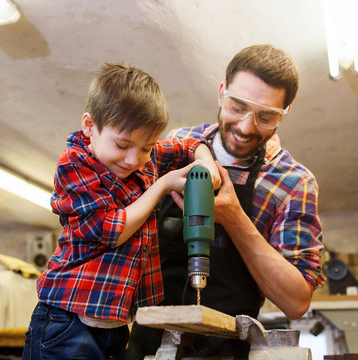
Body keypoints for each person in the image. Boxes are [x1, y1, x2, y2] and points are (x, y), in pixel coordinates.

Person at [127, 44, 325, 359]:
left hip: (228, 349)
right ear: (222, 93)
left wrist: (233, 217)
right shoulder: (173, 146)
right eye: (237, 106)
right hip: (149, 345)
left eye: (266, 116)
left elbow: (296, 301)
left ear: (284, 114)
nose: (246, 127)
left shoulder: (294, 183)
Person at [22, 62, 219, 360]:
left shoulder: (143, 157)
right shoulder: (74, 164)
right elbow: (111, 230)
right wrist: (162, 185)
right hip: (66, 321)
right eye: (123, 144)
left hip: (114, 326)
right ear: (90, 126)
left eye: (146, 147)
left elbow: (190, 144)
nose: (133, 159)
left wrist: (206, 164)